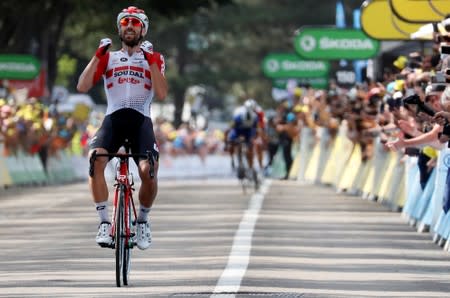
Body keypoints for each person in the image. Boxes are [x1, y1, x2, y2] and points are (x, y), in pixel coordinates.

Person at [77, 6, 168, 250]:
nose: (129, 26)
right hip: (113, 120)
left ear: (143, 30)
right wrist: (97, 56)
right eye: (125, 22)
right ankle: (105, 222)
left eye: (135, 23)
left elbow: (161, 93)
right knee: (95, 159)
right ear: (120, 28)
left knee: (149, 169)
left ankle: (143, 221)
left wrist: (149, 61)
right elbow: (82, 86)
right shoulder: (109, 57)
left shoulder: (155, 58)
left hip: (140, 121)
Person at [226, 99, 259, 179]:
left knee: (250, 147)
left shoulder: (255, 116)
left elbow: (255, 129)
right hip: (238, 129)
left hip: (248, 131)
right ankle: (233, 158)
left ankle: (250, 167)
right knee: (231, 141)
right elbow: (232, 127)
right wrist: (230, 139)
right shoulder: (239, 115)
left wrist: (253, 138)